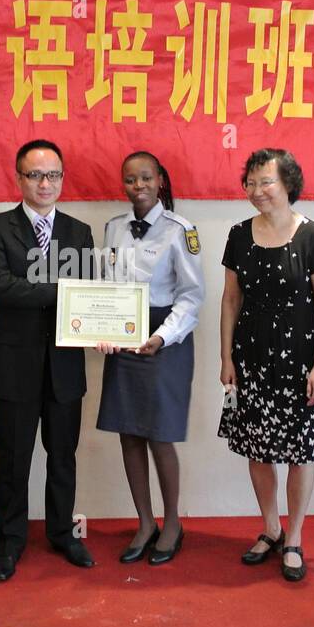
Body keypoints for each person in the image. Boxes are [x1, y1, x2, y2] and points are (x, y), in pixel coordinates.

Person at [0, 139, 96, 582]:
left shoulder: (80, 232)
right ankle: (8, 542)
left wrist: (104, 324)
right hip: (13, 367)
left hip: (65, 367)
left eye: (53, 175)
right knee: (14, 459)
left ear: (62, 179)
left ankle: (63, 533)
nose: (45, 184)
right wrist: (65, 290)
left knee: (63, 456)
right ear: (18, 178)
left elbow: (89, 298)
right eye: (35, 175)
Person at [218, 149, 314, 582]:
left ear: (288, 183)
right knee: (258, 449)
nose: (256, 190)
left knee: (301, 453)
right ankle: (270, 528)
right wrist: (226, 356)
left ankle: (295, 538)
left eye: (265, 181)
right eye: (250, 182)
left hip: (301, 363)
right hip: (252, 359)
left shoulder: (313, 236)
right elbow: (231, 299)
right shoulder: (238, 234)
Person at [95, 152, 205, 565]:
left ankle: (172, 522)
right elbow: (106, 289)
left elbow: (192, 296)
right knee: (129, 432)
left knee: (160, 434)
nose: (137, 186)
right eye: (129, 179)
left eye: (145, 178)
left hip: (165, 340)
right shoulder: (113, 228)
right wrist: (101, 330)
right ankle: (144, 521)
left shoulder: (182, 230)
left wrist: (161, 337)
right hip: (123, 335)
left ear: (160, 180)